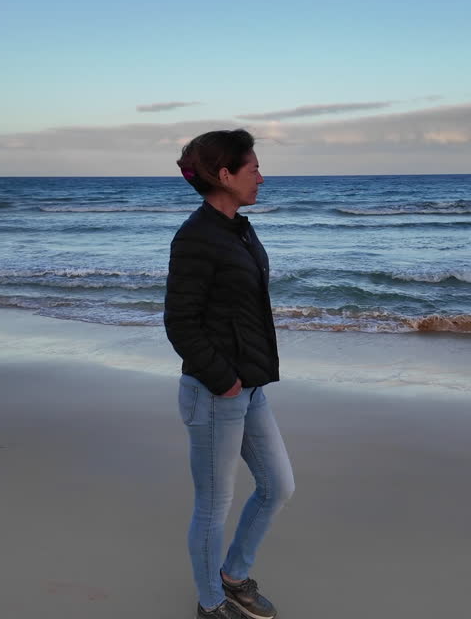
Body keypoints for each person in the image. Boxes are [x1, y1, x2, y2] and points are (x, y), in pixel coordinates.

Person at [164, 129, 295, 619]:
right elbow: (180, 321)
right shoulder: (195, 237)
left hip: (249, 387)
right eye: (253, 168)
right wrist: (223, 379)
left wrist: (247, 379)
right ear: (225, 175)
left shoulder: (239, 227)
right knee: (213, 505)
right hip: (215, 392)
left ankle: (233, 575)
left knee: (278, 486)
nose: (261, 176)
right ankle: (211, 604)